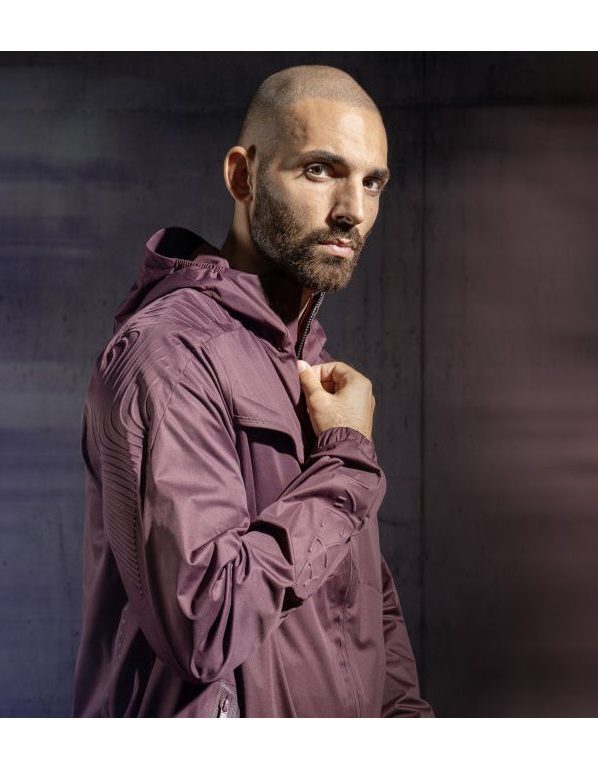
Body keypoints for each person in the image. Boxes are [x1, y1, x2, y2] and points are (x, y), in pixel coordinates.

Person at [72, 64, 433, 717]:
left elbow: (364, 616)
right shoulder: (171, 357)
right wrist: (347, 463)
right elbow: (204, 622)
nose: (352, 210)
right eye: (320, 170)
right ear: (243, 176)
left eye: (372, 182)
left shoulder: (315, 372)